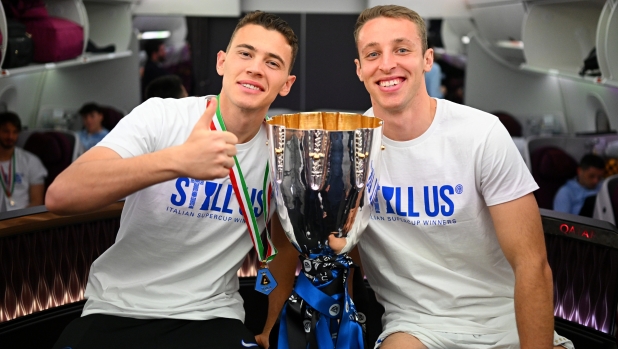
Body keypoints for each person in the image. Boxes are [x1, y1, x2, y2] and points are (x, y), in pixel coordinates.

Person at [273, 5, 571, 349]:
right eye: (373, 54)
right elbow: (340, 251)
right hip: (416, 327)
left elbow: (532, 263)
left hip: (506, 319)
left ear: (427, 59)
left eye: (402, 49)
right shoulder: (347, 149)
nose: (387, 64)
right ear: (359, 69)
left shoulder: (482, 133)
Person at [46, 10, 297, 349]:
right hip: (118, 309)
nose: (255, 67)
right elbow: (61, 196)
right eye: (246, 53)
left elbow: (282, 243)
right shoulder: (162, 117)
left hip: (212, 316)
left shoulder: (283, 150)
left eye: (273, 62)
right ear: (222, 62)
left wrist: (272, 324)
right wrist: (176, 161)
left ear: (286, 84)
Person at [0, 112, 47, 211]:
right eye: (6, 131)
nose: (10, 137)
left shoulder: (31, 162)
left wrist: (18, 222)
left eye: (15, 132)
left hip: (20, 219)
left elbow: (37, 202)